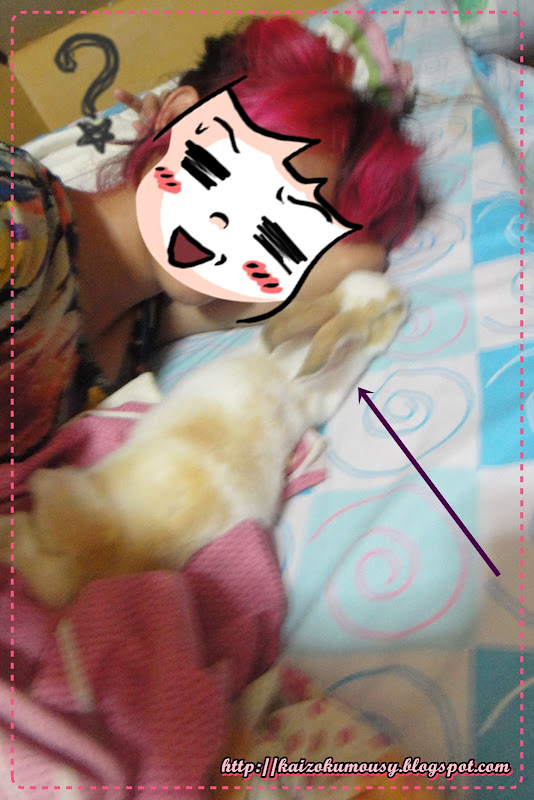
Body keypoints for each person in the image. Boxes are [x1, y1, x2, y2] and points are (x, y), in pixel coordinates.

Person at [0, 16, 426, 468]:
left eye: (277, 237)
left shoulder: (141, 324)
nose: (228, 230)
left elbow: (352, 262)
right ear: (177, 117)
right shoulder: (19, 213)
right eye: (228, 178)